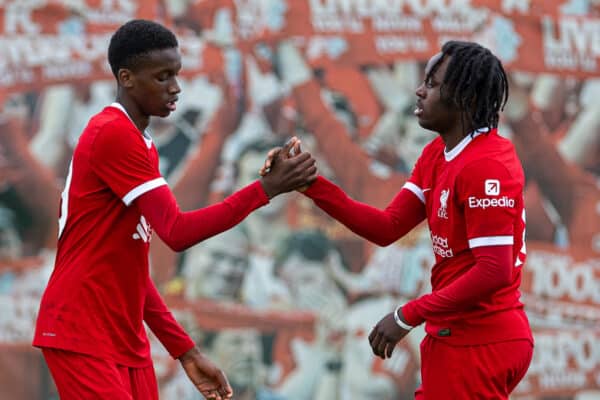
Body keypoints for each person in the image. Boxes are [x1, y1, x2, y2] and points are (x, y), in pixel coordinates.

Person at [32, 19, 317, 400]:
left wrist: (186, 351)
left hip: (122, 335)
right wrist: (264, 189)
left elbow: (132, 272)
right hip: (81, 328)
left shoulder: (141, 142)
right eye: (163, 76)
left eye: (177, 74)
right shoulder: (112, 134)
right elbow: (178, 232)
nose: (176, 87)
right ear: (127, 78)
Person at [263, 40, 533, 399]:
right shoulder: (439, 153)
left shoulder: (486, 166)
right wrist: (311, 184)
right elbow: (386, 227)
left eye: (433, 84)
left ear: (464, 96)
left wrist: (407, 315)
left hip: (481, 338)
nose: (419, 91)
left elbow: (493, 270)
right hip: (453, 333)